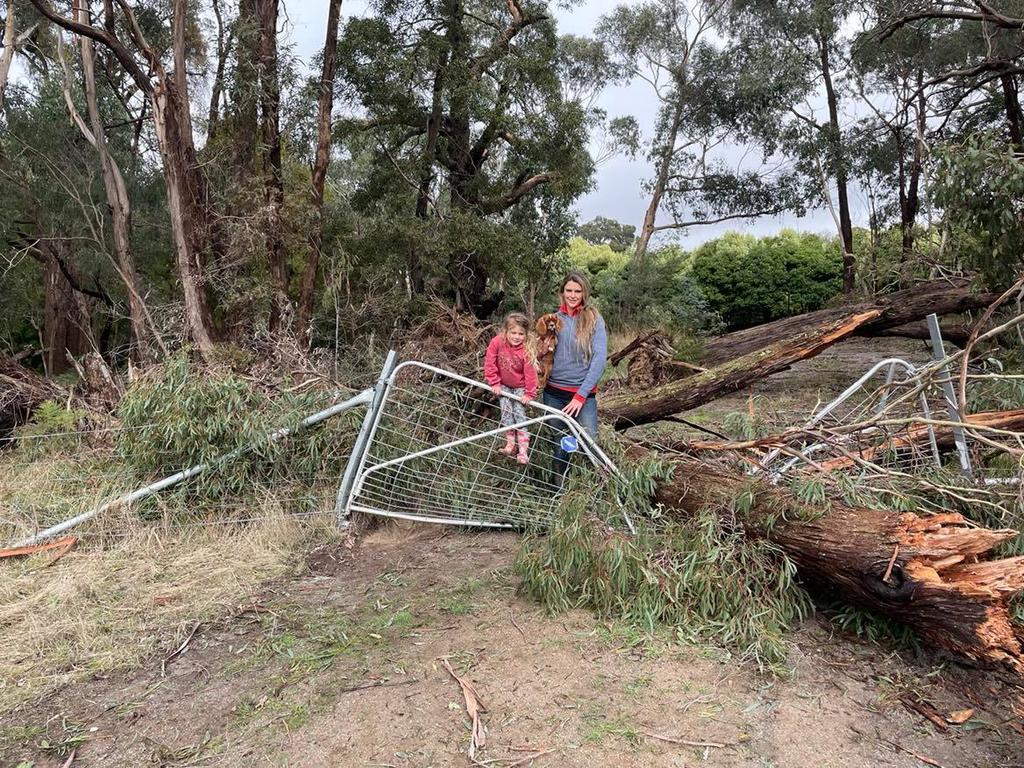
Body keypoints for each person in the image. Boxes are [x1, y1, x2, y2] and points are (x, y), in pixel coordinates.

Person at [543, 271, 607, 479]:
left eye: (577, 291)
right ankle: (559, 493)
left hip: (582, 395)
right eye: (568, 290)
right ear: (562, 292)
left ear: (584, 293)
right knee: (560, 443)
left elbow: (599, 359)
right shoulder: (553, 320)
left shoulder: (594, 319)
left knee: (590, 442)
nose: (572, 295)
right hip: (553, 394)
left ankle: (590, 487)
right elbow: (540, 354)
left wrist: (580, 395)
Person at [483, 312, 538, 465]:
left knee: (519, 414)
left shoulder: (526, 350)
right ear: (505, 331)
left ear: (526, 334)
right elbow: (490, 362)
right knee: (506, 412)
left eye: (521, 333)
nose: (516, 336)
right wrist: (494, 382)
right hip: (503, 385)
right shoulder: (497, 342)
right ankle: (510, 444)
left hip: (520, 387)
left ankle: (523, 451)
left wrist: (529, 393)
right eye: (513, 332)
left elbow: (531, 374)